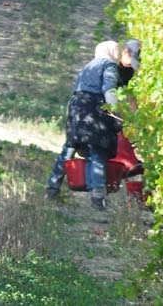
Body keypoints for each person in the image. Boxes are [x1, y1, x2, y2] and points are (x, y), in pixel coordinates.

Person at [44, 39, 142, 210]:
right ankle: (98, 197)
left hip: (76, 109)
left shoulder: (88, 66)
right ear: (117, 52)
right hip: (94, 110)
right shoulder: (110, 66)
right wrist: (114, 112)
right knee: (98, 151)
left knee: (69, 148)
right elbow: (109, 90)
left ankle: (52, 189)